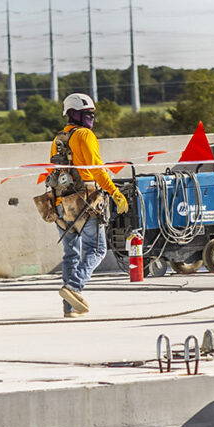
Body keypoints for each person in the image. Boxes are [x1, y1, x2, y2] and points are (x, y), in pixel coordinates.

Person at [43, 92, 127, 315]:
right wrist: (115, 192)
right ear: (76, 115)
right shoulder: (85, 135)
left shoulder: (59, 137)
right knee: (97, 249)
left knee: (71, 254)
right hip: (84, 202)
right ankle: (74, 287)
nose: (91, 118)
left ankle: (70, 307)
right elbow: (97, 170)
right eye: (88, 114)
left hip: (60, 203)